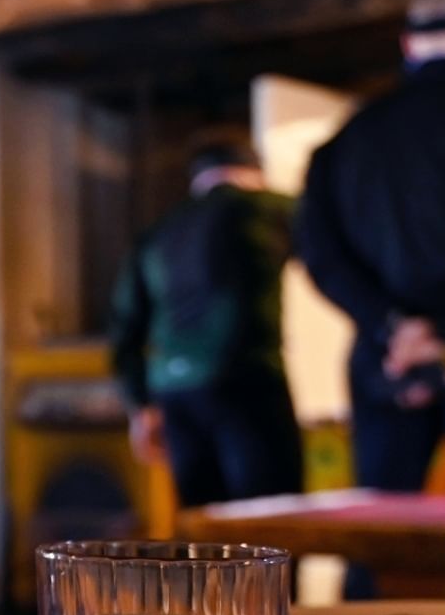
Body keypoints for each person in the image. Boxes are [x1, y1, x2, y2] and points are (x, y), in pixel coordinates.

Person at [297, 0, 445, 491]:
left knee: (383, 523)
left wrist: (395, 328)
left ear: (408, 44)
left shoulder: (345, 139)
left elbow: (322, 257)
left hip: (387, 359)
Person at [108, 136, 305, 508]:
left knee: (202, 521)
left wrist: (140, 404)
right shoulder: (266, 207)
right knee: (271, 516)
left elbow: (124, 328)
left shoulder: (159, 231)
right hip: (244, 379)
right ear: (256, 174)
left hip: (173, 391)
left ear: (197, 179)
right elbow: (333, 252)